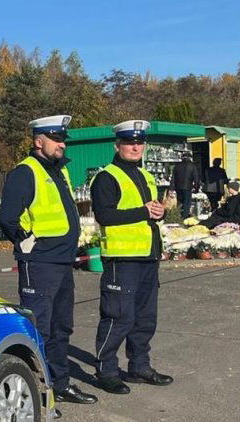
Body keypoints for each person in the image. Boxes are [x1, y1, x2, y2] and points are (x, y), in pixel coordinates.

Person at [0, 114, 97, 405]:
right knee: (38, 328)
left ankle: (60, 385)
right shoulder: (25, 172)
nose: (61, 144)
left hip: (62, 262)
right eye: (55, 138)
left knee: (61, 327)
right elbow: (7, 218)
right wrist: (26, 241)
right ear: (38, 141)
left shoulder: (58, 171)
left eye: (63, 139)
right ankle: (38, 392)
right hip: (40, 263)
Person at [90, 119, 173, 395]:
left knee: (145, 318)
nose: (135, 147)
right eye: (129, 142)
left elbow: (150, 212)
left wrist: (160, 212)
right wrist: (144, 211)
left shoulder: (146, 176)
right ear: (118, 145)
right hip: (122, 258)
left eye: (139, 142)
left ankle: (139, 366)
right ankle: (106, 371)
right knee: (118, 317)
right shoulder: (107, 177)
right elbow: (105, 215)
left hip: (147, 256)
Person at [170, 152, 200, 218]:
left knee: (180, 202)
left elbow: (173, 178)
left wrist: (171, 188)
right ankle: (184, 217)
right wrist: (196, 188)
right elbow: (196, 179)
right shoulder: (192, 166)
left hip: (178, 187)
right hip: (187, 187)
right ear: (190, 158)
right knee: (186, 203)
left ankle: (178, 215)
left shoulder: (177, 166)